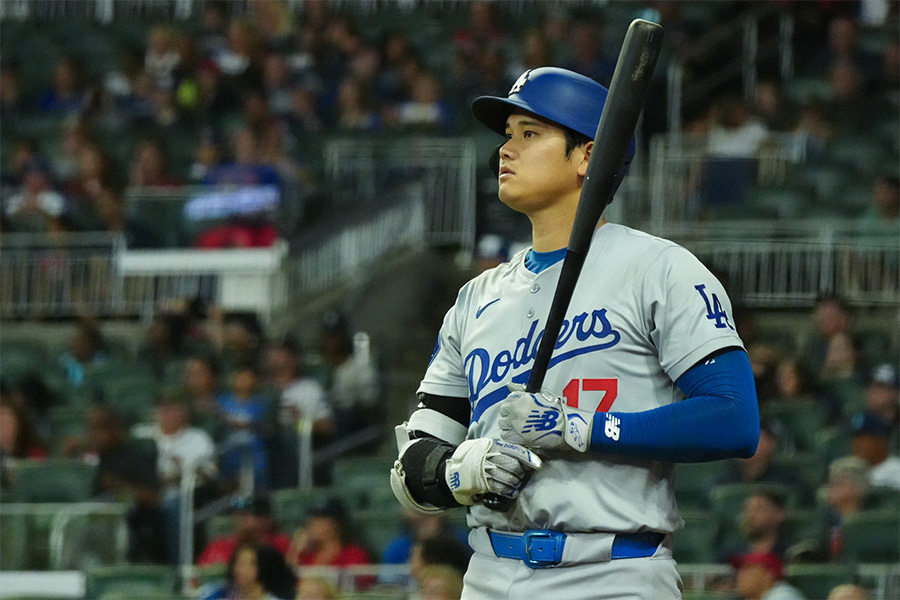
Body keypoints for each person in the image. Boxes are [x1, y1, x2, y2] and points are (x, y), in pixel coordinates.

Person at [389, 66, 759, 599]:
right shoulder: (474, 301)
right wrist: (463, 468)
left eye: (530, 134)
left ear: (588, 155)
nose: (506, 149)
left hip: (614, 571)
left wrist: (582, 428)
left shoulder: (658, 268)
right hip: (490, 573)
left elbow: (734, 418)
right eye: (508, 134)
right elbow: (412, 463)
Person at [153, 392, 218, 564]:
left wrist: (183, 469)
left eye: (172, 409)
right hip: (150, 489)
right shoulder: (146, 436)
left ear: (185, 414)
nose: (166, 413)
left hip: (188, 492)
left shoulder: (198, 438)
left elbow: (210, 475)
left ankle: (178, 567)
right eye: (163, 408)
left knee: (172, 502)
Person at [265, 336, 334, 488]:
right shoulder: (262, 390)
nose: (274, 357)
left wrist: (299, 420)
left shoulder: (309, 389)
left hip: (294, 451)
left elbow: (327, 426)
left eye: (280, 352)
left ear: (293, 358)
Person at [197, 495, 292, 566]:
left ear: (266, 520)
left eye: (246, 515)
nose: (241, 520)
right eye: (240, 514)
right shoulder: (218, 546)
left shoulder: (280, 545)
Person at [203, 541, 297, 600]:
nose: (239, 569)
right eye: (238, 562)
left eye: (248, 564)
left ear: (263, 567)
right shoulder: (217, 595)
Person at [717, 490, 789, 564]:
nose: (750, 516)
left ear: (779, 514)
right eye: (747, 510)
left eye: (758, 509)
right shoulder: (729, 557)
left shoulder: (790, 555)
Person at [848, 411, 900, 490]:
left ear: (881, 441)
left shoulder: (896, 471)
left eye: (863, 439)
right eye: (854, 439)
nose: (856, 444)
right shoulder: (851, 471)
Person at [731, 552, 806, 600]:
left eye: (747, 572)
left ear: (768, 575)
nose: (740, 577)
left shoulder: (783, 596)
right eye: (740, 571)